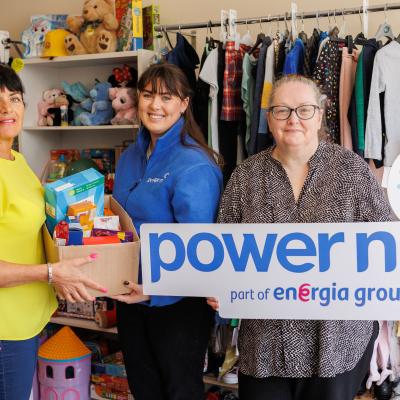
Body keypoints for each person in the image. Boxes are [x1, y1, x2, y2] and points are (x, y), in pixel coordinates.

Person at [209, 74, 391, 400]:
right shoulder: (246, 176)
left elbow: (387, 238)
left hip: (337, 343)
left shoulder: (350, 169)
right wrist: (217, 286)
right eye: (282, 110)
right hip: (265, 346)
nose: (293, 119)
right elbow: (222, 249)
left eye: (304, 110)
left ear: (320, 115)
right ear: (269, 118)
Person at [112, 63, 223, 400]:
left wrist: (156, 290)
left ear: (184, 104)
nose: (155, 105)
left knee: (178, 392)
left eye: (166, 97)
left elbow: (201, 250)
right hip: (130, 295)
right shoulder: (130, 155)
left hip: (177, 306)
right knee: (143, 390)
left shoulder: (195, 164)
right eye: (147, 95)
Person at [0, 63, 108, 400]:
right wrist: (50, 272)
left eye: (14, 98)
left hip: (27, 321)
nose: (7, 108)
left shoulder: (17, 162)